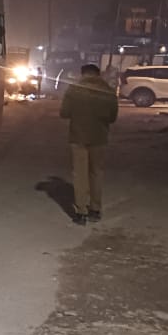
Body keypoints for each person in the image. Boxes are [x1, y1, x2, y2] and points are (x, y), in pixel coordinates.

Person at [60, 63, 118, 225]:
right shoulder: (108, 90)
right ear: (98, 74)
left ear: (82, 73)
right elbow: (112, 117)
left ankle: (81, 212)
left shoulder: (74, 89)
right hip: (99, 137)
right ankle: (95, 209)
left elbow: (64, 113)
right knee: (96, 173)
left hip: (78, 137)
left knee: (80, 174)